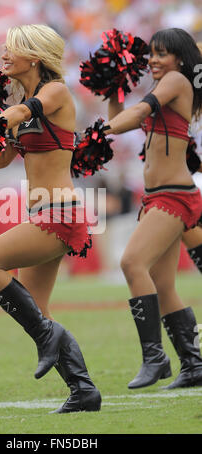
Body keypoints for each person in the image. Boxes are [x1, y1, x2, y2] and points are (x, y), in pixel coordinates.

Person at [0, 24, 101, 413]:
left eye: (13, 49)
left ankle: (49, 339)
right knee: (39, 313)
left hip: (60, 213)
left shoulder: (55, 91)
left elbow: (25, 111)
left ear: (35, 56)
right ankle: (83, 390)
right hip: (43, 212)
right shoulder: (23, 100)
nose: (4, 55)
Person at [104, 28, 202, 389]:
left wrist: (93, 134)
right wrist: (112, 85)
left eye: (162, 53)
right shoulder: (169, 85)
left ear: (179, 58)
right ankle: (193, 365)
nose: (154, 60)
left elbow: (138, 112)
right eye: (151, 54)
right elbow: (122, 118)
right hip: (160, 196)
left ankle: (154, 357)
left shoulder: (175, 81)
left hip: (174, 196)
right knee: (162, 284)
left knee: (131, 263)